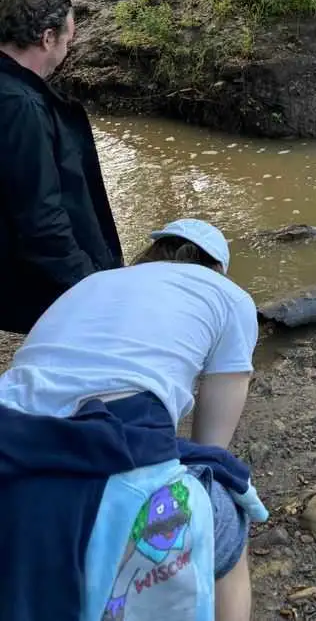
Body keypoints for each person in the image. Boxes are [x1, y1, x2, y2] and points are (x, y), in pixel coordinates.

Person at [0, 217, 264, 621]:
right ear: (217, 268)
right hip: (105, 454)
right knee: (226, 520)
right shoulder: (229, 295)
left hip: (10, 435)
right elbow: (212, 445)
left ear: (151, 253)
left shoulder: (93, 282)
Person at [0, 0, 123, 334]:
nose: (66, 52)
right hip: (27, 285)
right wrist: (89, 285)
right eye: (68, 41)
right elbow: (40, 216)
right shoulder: (22, 106)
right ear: (47, 38)